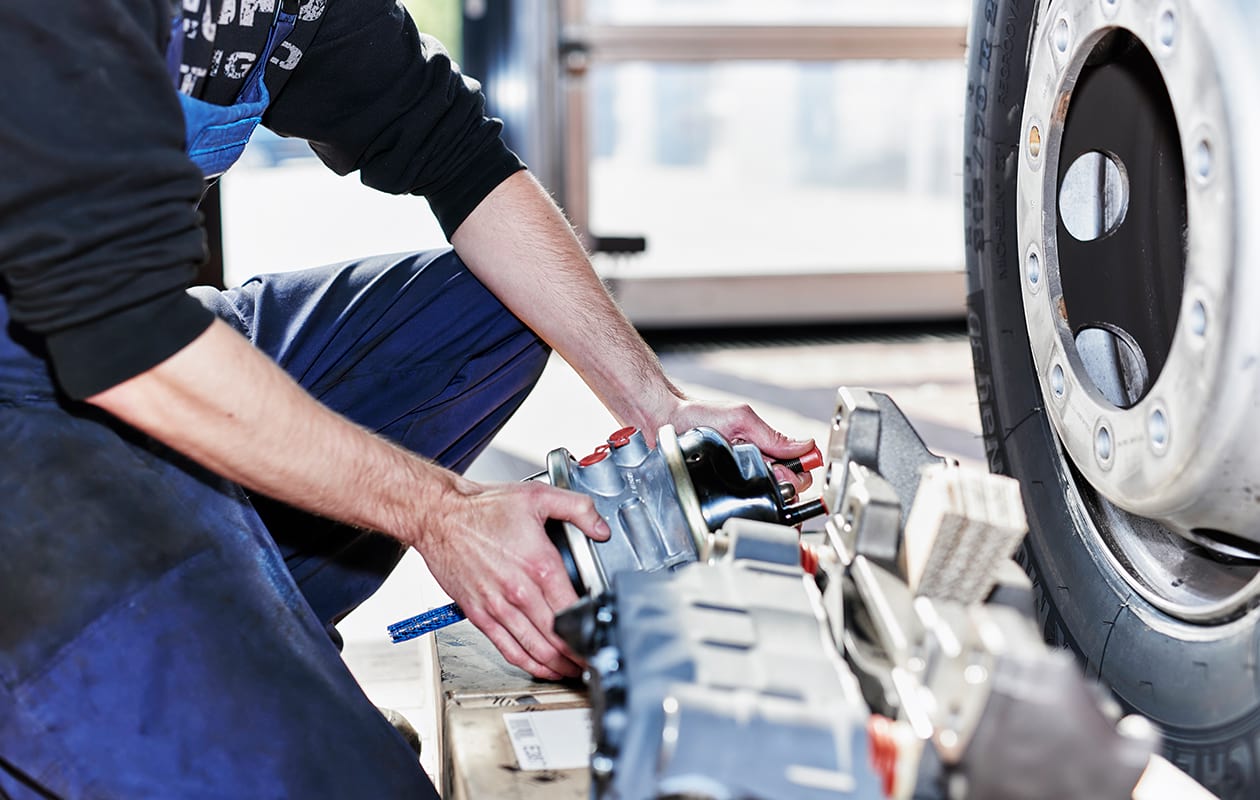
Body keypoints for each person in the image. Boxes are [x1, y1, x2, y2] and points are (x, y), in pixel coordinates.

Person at [0, 1, 815, 797]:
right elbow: (122, 332)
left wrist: (656, 407)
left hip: (116, 331)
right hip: (66, 380)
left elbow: (457, 152)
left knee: (497, 307)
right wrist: (442, 510)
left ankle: (258, 628)